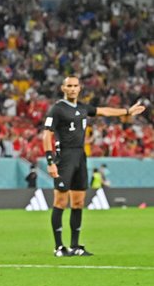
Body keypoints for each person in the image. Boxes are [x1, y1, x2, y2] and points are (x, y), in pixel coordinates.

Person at [42, 76, 145, 257]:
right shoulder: (57, 109)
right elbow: (46, 135)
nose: (73, 89)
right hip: (64, 158)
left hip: (80, 157)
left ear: (80, 88)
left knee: (79, 202)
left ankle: (75, 245)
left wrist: (127, 111)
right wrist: (50, 162)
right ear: (63, 88)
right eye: (69, 86)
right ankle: (59, 247)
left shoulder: (82, 108)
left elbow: (104, 111)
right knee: (60, 201)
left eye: (75, 86)